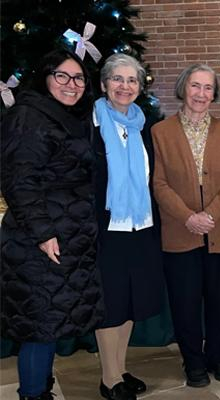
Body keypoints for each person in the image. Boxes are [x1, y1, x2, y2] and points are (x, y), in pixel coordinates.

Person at [1, 49, 103, 400]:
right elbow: (19, 181)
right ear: (45, 78)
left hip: (66, 234)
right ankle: (32, 393)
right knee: (40, 327)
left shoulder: (67, 116)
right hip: (39, 240)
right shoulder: (28, 116)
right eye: (62, 76)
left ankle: (39, 387)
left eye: (78, 78)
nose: (71, 85)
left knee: (48, 320)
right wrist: (43, 233)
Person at [151, 64, 220, 388]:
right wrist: (189, 216)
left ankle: (218, 357)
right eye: (195, 86)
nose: (201, 94)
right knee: (185, 302)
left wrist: (210, 214)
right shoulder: (160, 132)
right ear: (183, 88)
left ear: (214, 94)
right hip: (180, 231)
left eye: (208, 88)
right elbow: (158, 183)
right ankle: (193, 362)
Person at [92, 53, 166, 400]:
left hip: (142, 226)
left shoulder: (143, 125)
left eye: (132, 80)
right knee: (112, 303)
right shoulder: (90, 125)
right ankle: (108, 380)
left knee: (131, 301)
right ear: (105, 83)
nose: (125, 86)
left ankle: (120, 368)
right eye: (117, 79)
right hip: (107, 228)